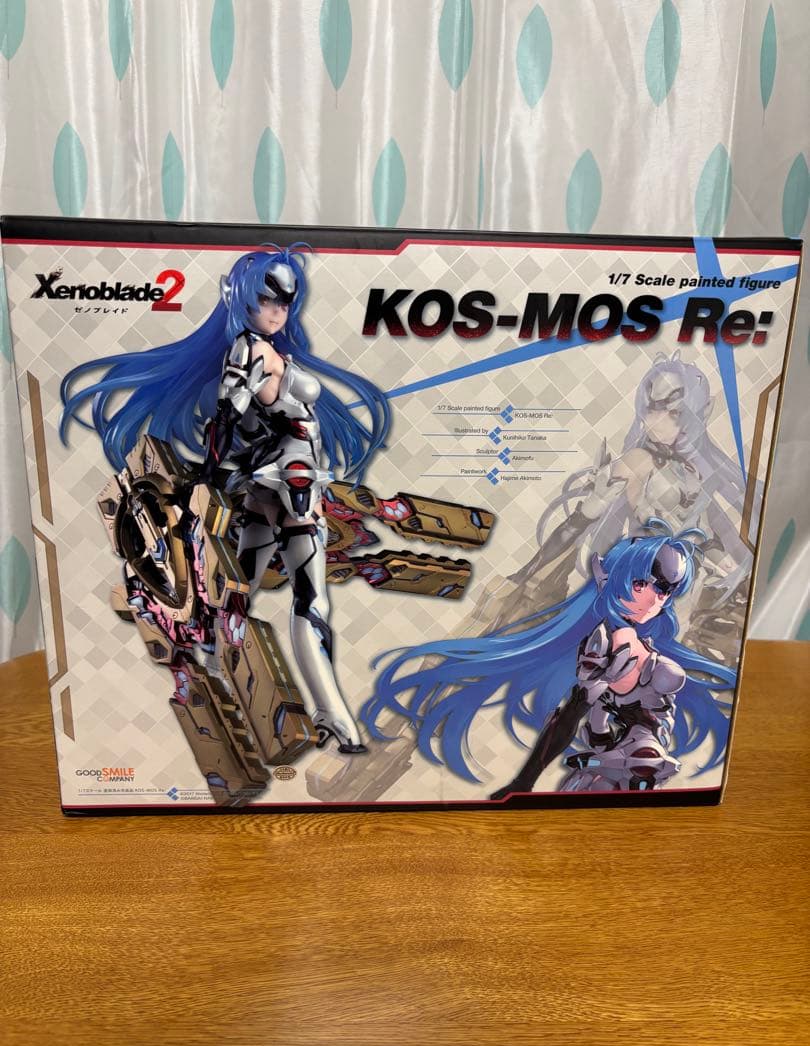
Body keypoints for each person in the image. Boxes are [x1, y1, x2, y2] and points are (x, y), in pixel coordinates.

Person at [61, 245, 391, 754]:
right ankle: (330, 715)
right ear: (241, 298)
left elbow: (244, 418)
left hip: (274, 484)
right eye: (267, 299)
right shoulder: (248, 349)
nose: (278, 311)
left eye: (286, 301)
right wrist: (214, 476)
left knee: (241, 590)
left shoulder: (266, 349)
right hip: (288, 487)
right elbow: (228, 413)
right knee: (307, 600)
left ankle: (226, 665)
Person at [360, 521, 736, 795]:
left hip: (637, 760)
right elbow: (573, 714)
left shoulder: (657, 666)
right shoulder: (599, 643)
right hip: (604, 762)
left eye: (665, 591)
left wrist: (639, 749)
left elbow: (648, 728)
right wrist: (524, 783)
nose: (654, 598)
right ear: (616, 582)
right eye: (642, 584)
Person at [461, 351, 753, 666]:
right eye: (652, 409)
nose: (656, 421)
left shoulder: (696, 470)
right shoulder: (638, 461)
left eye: (673, 412)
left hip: (679, 586)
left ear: (699, 411)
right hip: (640, 580)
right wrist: (529, 572)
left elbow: (702, 533)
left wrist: (727, 568)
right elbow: (585, 516)